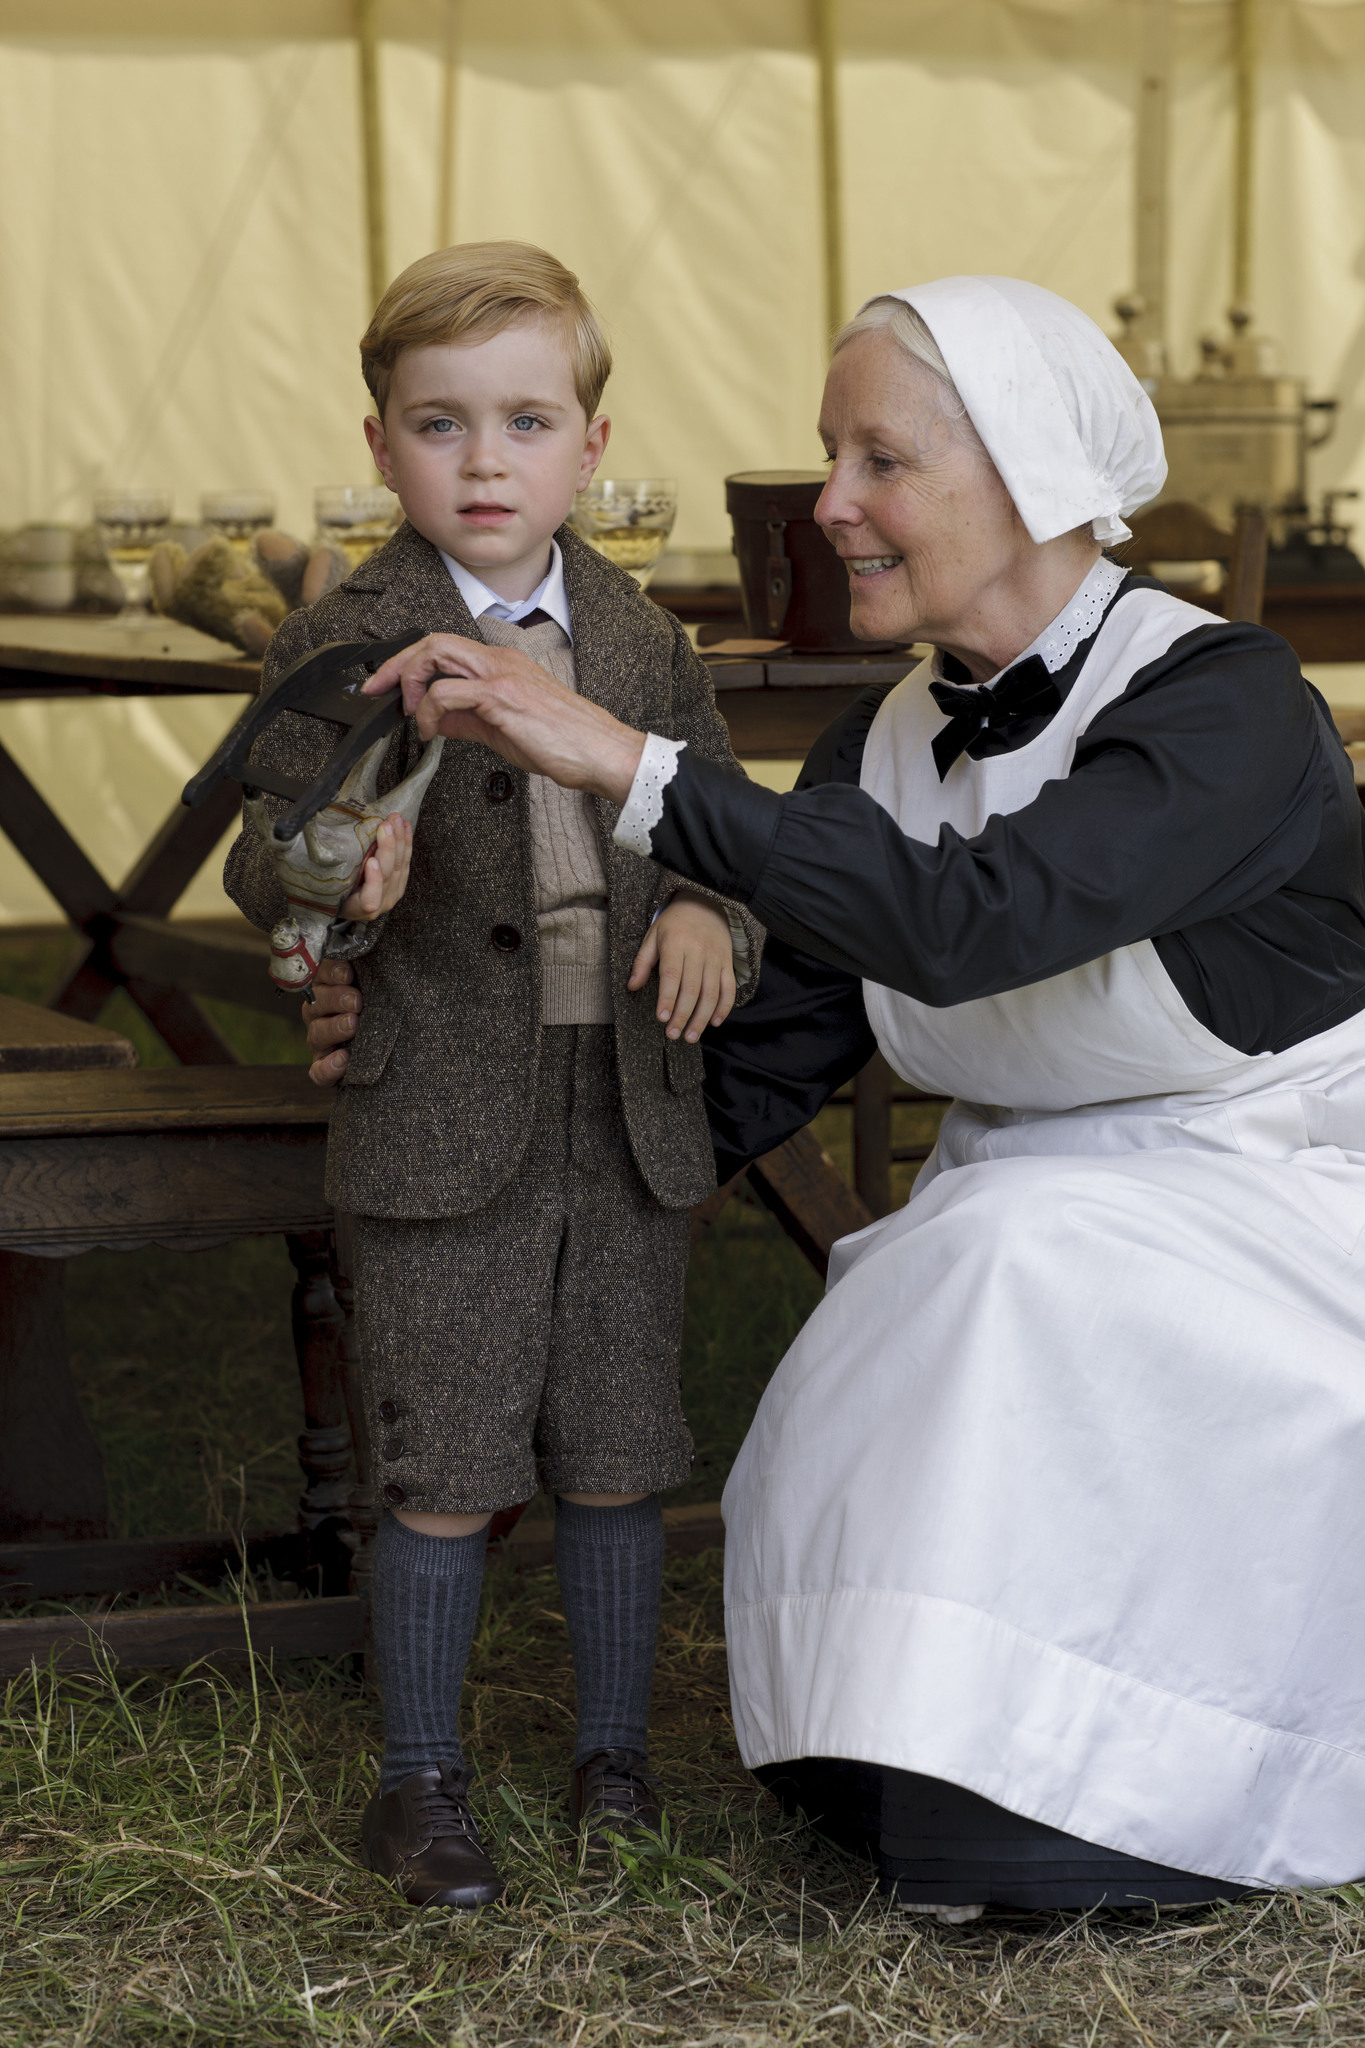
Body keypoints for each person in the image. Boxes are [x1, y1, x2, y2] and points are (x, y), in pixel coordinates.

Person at [351, 274, 1365, 1917]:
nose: (827, 505)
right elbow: (754, 1061)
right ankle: (912, 1763)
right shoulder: (881, 739)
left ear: (1028, 474)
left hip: (1278, 1195)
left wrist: (634, 768)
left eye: (876, 460)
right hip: (1029, 1196)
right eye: (831, 457)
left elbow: (973, 923)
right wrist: (483, 1092)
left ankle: (1111, 1791)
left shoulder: (1221, 700)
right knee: (902, 1297)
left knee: (996, 1272)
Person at [225, 240, 762, 1911]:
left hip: (625, 1106)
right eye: (439, 424)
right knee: (443, 1454)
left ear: (589, 447)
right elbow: (268, 858)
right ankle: (420, 1782)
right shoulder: (343, 636)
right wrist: (339, 873)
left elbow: (720, 826)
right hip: (437, 1107)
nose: (482, 460)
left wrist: (712, 922)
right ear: (380, 444)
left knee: (617, 1440)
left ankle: (615, 1756)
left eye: (524, 421)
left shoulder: (643, 641)